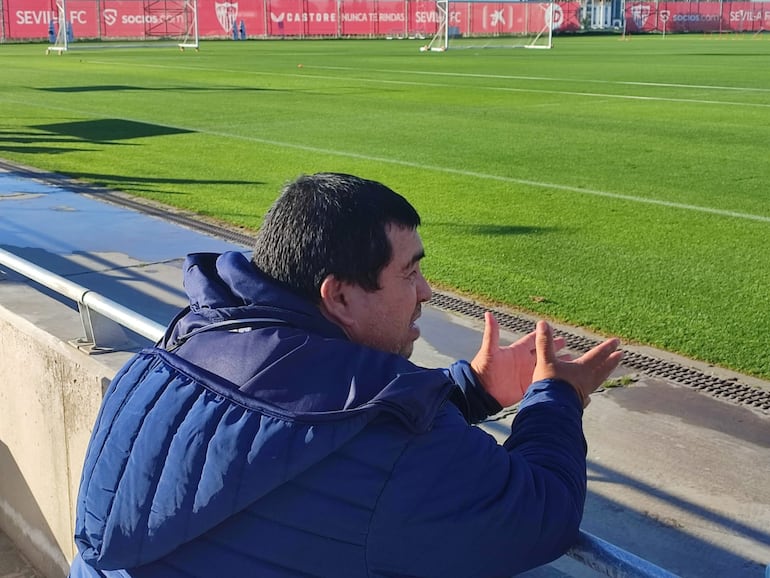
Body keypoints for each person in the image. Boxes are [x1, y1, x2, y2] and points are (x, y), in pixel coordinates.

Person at [69, 172, 623, 578]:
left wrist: (470, 389)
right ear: (337, 296)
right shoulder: (397, 455)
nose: (426, 292)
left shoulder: (170, 355)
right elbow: (537, 514)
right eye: (409, 272)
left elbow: (294, 404)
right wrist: (557, 398)